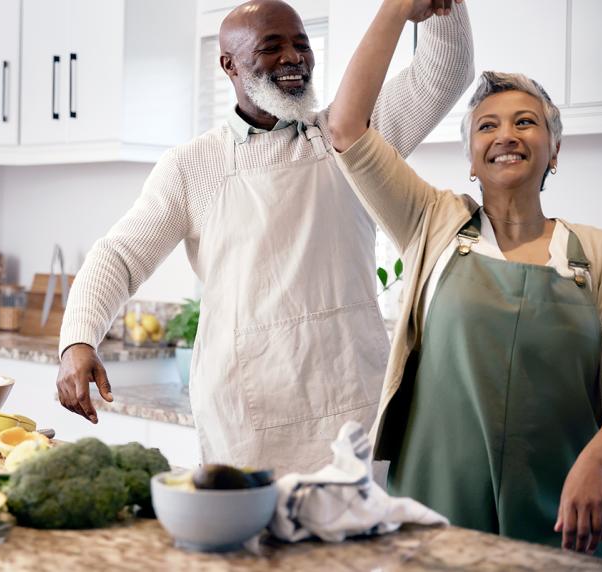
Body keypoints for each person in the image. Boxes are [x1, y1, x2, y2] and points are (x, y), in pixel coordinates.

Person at [56, 0, 474, 476]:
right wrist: (78, 343)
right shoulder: (192, 166)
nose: (293, 58)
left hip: (353, 405)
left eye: (301, 44)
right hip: (247, 419)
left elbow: (445, 72)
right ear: (228, 65)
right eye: (271, 48)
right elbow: (119, 257)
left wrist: (443, 5)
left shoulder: (350, 132)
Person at [327, 0, 602, 556]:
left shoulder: (597, 254)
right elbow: (346, 126)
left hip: (560, 511)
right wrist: (397, 8)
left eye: (526, 122)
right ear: (471, 156)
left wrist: (597, 460)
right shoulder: (432, 221)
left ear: (555, 151)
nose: (506, 135)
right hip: (434, 509)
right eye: (487, 126)